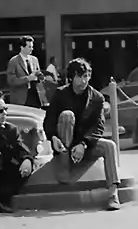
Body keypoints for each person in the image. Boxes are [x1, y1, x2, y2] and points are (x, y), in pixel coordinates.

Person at [43, 58, 121, 211]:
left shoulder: (97, 97)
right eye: (79, 76)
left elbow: (98, 127)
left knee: (109, 146)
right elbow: (49, 121)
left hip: (85, 144)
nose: (83, 80)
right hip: (64, 143)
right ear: (71, 78)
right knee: (67, 115)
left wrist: (84, 144)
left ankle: (113, 194)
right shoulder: (60, 94)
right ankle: (64, 166)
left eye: (86, 76)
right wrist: (53, 137)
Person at [7, 35, 45, 108]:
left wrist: (40, 77)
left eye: (32, 46)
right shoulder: (14, 61)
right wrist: (27, 78)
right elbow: (11, 81)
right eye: (29, 47)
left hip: (35, 96)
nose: (32, 49)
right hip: (21, 99)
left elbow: (39, 75)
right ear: (22, 47)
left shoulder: (35, 60)